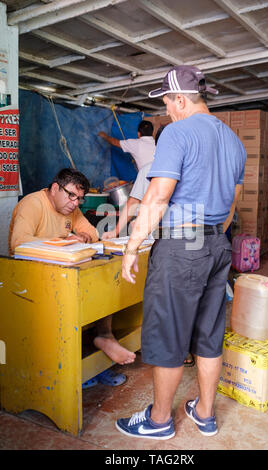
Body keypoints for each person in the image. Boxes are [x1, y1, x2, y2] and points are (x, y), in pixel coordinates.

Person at [115, 65, 246, 440]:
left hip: (180, 246)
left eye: (168, 102)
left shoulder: (178, 132)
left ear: (181, 99)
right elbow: (233, 203)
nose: (167, 111)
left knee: (168, 334)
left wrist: (131, 246)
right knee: (209, 333)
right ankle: (205, 413)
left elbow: (157, 196)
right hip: (217, 246)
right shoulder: (234, 141)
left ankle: (158, 421)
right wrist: (212, 241)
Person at [9, 168, 136, 368]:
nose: (75, 203)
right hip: (32, 277)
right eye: (71, 196)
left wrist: (84, 237)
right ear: (54, 188)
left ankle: (104, 335)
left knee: (103, 274)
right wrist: (64, 240)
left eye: (79, 198)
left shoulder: (71, 208)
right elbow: (19, 242)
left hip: (61, 271)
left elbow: (93, 234)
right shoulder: (32, 204)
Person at [101, 125, 166, 241]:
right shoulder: (148, 170)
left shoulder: (147, 167)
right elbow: (133, 202)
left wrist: (104, 136)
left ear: (139, 133)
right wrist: (115, 232)